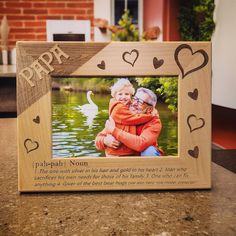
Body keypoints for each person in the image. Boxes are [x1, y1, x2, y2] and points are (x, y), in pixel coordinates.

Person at [95, 79, 155, 156]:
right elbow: (134, 119)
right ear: (115, 96)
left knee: (150, 151)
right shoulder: (118, 108)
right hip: (117, 153)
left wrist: (150, 115)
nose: (123, 97)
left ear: (131, 96)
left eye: (126, 94)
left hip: (132, 153)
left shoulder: (131, 109)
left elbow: (141, 144)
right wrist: (105, 140)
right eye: (120, 94)